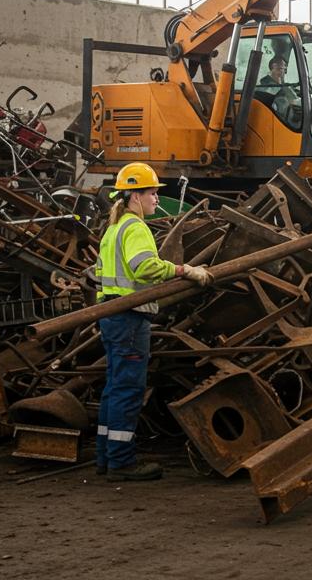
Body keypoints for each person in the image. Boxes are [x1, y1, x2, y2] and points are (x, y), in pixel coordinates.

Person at [93, 162, 213, 480]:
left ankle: (105, 456)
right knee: (128, 390)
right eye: (153, 193)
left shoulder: (113, 229)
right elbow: (145, 267)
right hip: (130, 317)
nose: (157, 200)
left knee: (114, 387)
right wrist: (183, 269)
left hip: (111, 314)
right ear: (135, 197)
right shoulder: (135, 228)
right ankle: (121, 462)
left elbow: (99, 274)